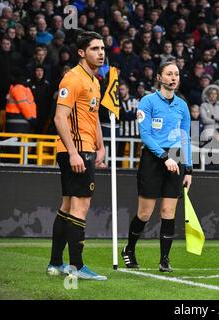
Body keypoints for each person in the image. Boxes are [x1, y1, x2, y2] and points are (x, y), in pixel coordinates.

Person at [121, 60, 192, 272]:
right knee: (145, 213)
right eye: (169, 74)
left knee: (168, 211)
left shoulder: (183, 105)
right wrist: (164, 157)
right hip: (154, 159)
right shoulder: (147, 101)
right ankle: (129, 249)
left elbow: (185, 137)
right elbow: (145, 135)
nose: (174, 78)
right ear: (159, 78)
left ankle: (164, 259)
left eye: (176, 74)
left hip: (176, 159)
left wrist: (188, 168)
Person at [47, 31, 107, 280]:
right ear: (82, 53)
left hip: (86, 148)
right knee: (81, 206)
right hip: (76, 150)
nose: (101, 53)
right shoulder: (72, 79)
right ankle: (76, 266)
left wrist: (101, 146)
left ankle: (55, 264)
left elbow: (93, 118)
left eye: (102, 48)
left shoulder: (95, 81)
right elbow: (59, 118)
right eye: (95, 49)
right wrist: (74, 153)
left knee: (68, 205)